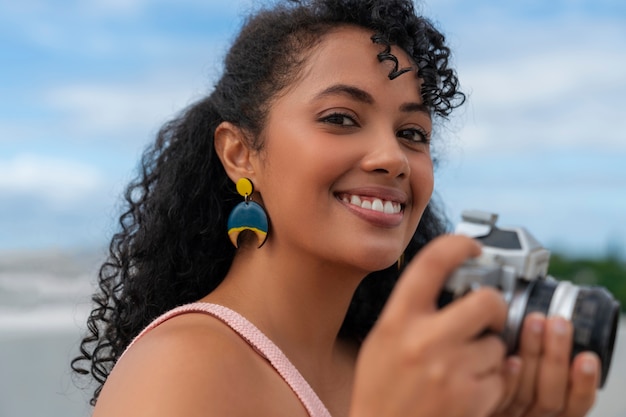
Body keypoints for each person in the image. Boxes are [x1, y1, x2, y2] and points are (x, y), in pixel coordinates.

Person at [71, 0, 601, 416]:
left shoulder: (389, 369)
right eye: (341, 118)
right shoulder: (184, 368)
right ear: (240, 152)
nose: (393, 158)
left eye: (412, 133)